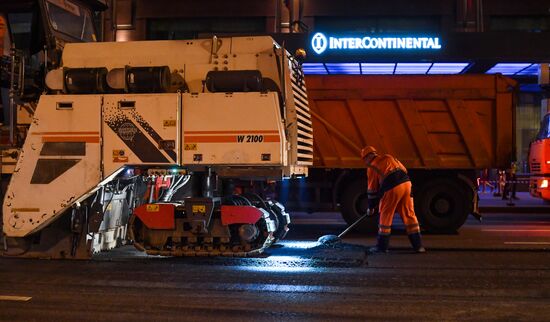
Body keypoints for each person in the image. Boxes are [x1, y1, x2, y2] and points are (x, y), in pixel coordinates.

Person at [361, 146, 426, 253]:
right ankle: (418, 246)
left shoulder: (372, 166)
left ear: (367, 157)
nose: (365, 162)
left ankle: (382, 247)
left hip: (392, 187)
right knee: (409, 215)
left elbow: (372, 190)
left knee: (385, 216)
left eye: (364, 159)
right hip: (407, 184)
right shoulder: (388, 157)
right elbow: (404, 170)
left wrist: (371, 207)